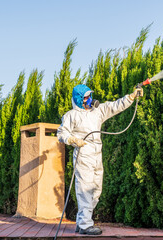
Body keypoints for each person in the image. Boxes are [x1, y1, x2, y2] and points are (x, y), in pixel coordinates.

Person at [57, 84, 143, 235]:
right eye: (86, 97)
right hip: (83, 155)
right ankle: (84, 225)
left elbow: (114, 106)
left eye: (90, 96)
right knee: (85, 190)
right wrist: (72, 139)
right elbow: (61, 132)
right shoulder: (71, 115)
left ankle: (81, 222)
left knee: (96, 190)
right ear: (78, 99)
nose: (89, 99)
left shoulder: (97, 111)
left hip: (97, 155)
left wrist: (131, 97)